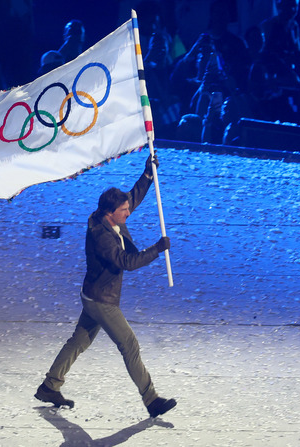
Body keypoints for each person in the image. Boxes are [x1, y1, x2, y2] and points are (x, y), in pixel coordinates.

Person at [35, 153, 176, 419]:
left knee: (78, 341)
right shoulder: (102, 236)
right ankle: (151, 399)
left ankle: (49, 386)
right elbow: (126, 261)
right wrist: (156, 249)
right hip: (102, 300)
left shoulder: (109, 217)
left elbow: (131, 198)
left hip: (92, 295)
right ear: (110, 214)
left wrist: (147, 175)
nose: (128, 212)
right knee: (129, 345)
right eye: (123, 211)